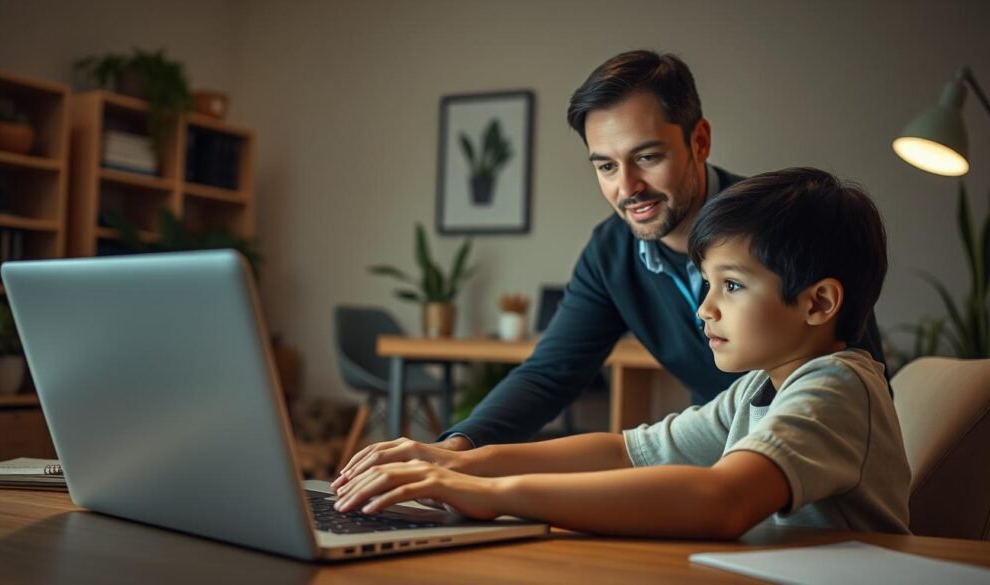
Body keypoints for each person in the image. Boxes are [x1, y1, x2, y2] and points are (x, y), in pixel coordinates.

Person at [330, 167, 911, 538]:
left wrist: (490, 494)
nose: (704, 309)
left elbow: (721, 499)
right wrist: (458, 462)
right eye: (706, 285)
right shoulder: (759, 389)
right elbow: (628, 452)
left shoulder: (837, 386)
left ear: (818, 303)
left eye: (730, 286)